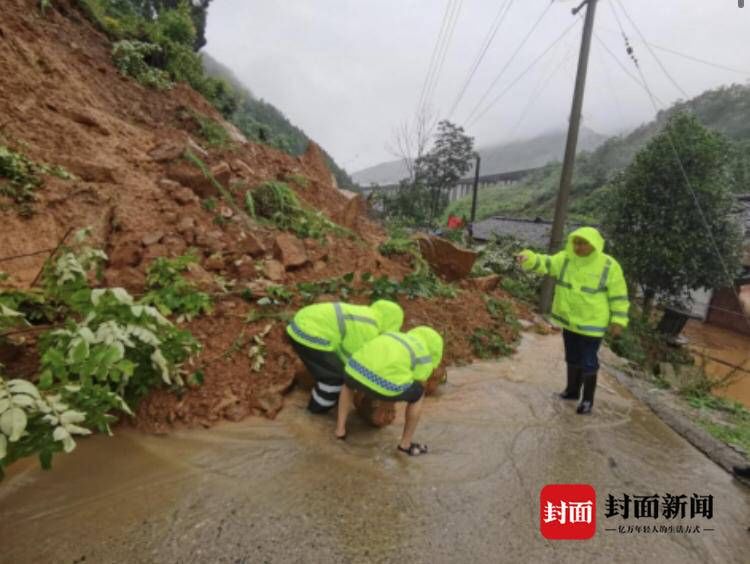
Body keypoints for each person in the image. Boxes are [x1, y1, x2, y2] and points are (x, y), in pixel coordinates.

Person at [516, 227, 630, 414]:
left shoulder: (609, 266)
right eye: (576, 242)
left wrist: (618, 320)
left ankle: (587, 400)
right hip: (570, 322)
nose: (579, 247)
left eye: (583, 243)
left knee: (588, 361)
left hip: (592, 325)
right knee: (572, 357)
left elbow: (619, 296)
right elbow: (546, 262)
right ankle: (572, 391)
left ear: (594, 244)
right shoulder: (565, 259)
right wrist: (529, 258)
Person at [334, 326, 444, 456]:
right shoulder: (424, 354)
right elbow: (418, 381)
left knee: (348, 384)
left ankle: (340, 430)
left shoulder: (392, 334)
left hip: (354, 369)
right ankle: (405, 444)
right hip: (384, 384)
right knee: (418, 394)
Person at [287, 300, 404, 414]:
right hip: (309, 333)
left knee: (333, 368)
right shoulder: (369, 329)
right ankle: (315, 411)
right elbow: (351, 360)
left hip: (301, 323)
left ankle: (326, 396)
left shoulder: (365, 315)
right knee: (334, 378)